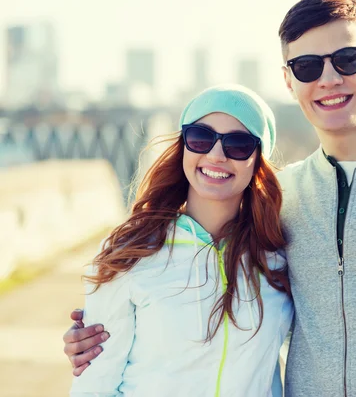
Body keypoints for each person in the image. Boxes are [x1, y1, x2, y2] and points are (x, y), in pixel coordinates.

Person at [64, 0, 356, 396]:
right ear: (289, 81)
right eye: (307, 66)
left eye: (347, 59)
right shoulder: (281, 200)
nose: (328, 79)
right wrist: (96, 335)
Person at [68, 84, 294, 397]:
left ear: (257, 161)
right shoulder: (130, 250)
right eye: (201, 137)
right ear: (183, 146)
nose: (216, 155)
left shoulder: (278, 256)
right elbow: (94, 385)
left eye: (238, 144)